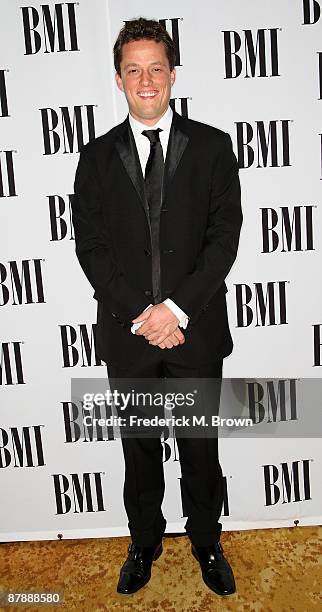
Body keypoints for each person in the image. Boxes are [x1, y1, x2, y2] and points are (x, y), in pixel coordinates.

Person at [72, 17, 242, 597]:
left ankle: (206, 541)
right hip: (129, 334)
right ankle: (143, 541)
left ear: (172, 74)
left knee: (199, 448)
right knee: (139, 451)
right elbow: (90, 248)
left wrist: (176, 310)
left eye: (156, 68)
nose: (146, 81)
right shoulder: (94, 159)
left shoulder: (215, 147)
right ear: (118, 79)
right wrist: (143, 316)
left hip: (195, 332)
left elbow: (224, 239)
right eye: (133, 70)